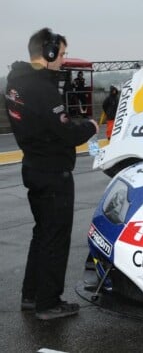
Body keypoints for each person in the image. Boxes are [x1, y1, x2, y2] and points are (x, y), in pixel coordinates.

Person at [4, 27, 99, 320]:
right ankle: (49, 302)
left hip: (33, 165)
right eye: (62, 54)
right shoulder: (42, 89)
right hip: (53, 171)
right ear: (47, 53)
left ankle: (31, 295)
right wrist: (90, 127)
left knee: (41, 234)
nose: (64, 59)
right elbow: (66, 131)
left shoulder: (16, 83)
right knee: (55, 238)